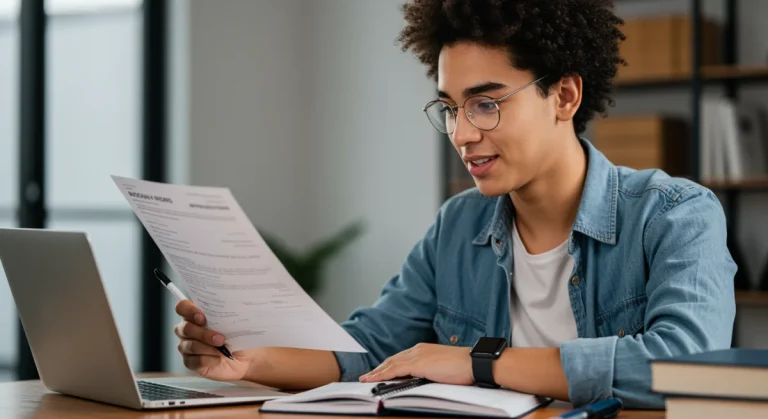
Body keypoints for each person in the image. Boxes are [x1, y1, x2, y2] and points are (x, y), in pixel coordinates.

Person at [173, 0, 736, 409]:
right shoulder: (458, 224)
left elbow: (685, 364)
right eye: (449, 107)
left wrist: (477, 363)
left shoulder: (675, 214)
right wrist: (250, 363)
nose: (462, 133)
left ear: (564, 95)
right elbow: (369, 349)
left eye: (486, 103)